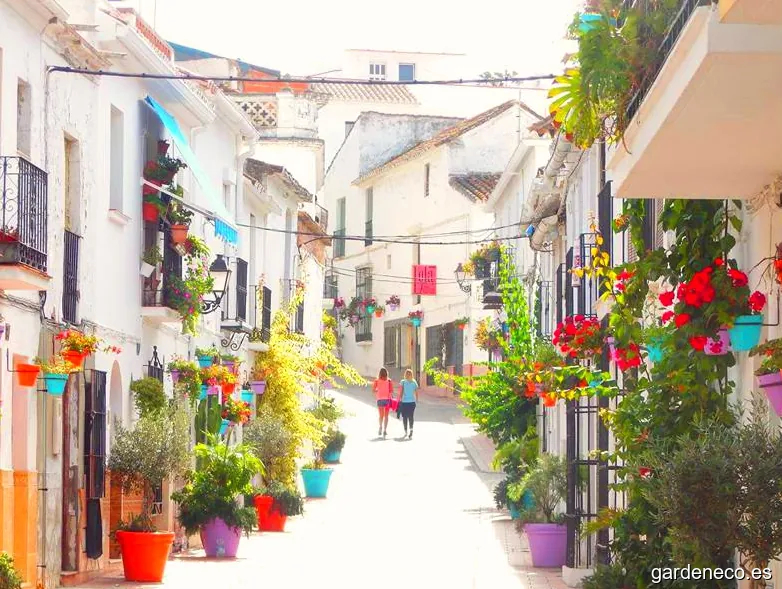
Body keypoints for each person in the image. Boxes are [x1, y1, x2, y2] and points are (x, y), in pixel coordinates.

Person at [372, 367, 394, 438]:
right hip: (387, 399)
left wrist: (378, 391)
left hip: (380, 399)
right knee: (386, 416)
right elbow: (391, 391)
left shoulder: (376, 381)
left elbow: (373, 390)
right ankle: (385, 430)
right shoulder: (389, 381)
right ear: (386, 373)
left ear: (380, 373)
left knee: (381, 415)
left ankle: (380, 427)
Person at [398, 369, 419, 439]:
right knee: (411, 416)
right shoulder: (414, 382)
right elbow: (416, 392)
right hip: (412, 402)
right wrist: (417, 400)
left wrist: (399, 400)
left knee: (405, 417)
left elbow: (400, 392)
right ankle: (411, 429)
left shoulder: (403, 382)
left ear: (405, 374)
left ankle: (406, 431)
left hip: (404, 402)